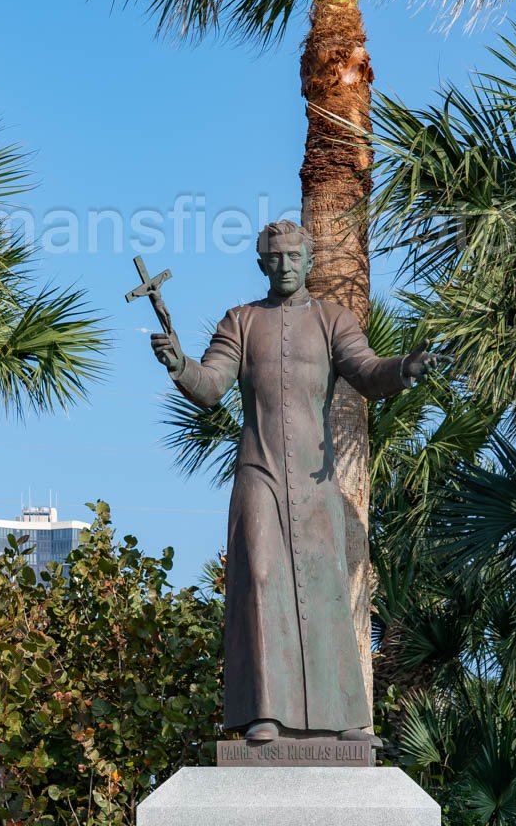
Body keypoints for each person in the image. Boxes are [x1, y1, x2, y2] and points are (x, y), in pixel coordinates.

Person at [151, 220, 435, 744]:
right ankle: (266, 712)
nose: (283, 265)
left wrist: (404, 368)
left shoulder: (332, 320)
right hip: (258, 471)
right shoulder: (240, 321)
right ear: (262, 263)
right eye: (273, 257)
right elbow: (211, 386)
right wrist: (180, 365)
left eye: (292, 257)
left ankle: (346, 717)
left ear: (308, 262)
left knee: (324, 586)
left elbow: (368, 371)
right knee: (260, 578)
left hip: (313, 480)